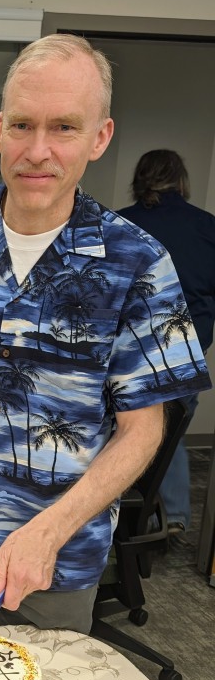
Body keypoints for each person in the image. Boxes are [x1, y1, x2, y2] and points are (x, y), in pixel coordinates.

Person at [0, 34, 211, 635]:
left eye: (64, 128)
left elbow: (142, 429)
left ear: (99, 138)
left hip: (54, 564)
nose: (38, 150)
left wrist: (47, 532)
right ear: (0, 129)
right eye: (23, 125)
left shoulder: (138, 264)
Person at [117, 149, 215, 545]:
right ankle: (171, 514)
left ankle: (125, 516)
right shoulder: (207, 227)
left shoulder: (120, 224)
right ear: (182, 180)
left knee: (129, 433)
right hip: (186, 350)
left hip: (131, 349)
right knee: (169, 431)